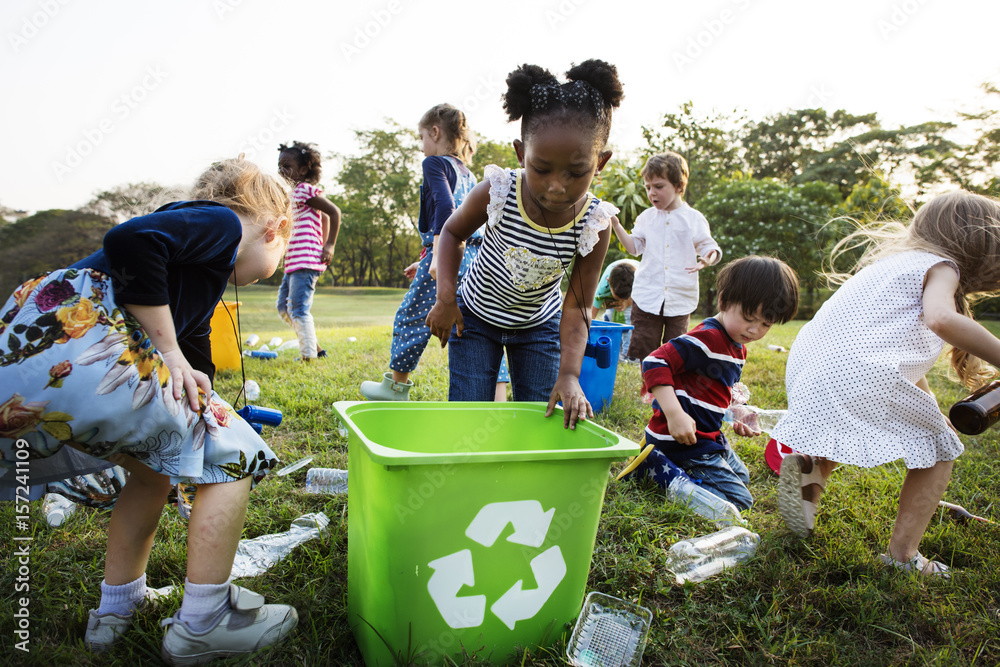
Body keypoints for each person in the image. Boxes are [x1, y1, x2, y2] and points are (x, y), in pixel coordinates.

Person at [0, 158, 299, 663]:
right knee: (234, 462)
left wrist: (200, 399)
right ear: (278, 228)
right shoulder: (224, 223)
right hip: (85, 341)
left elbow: (196, 351)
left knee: (152, 472)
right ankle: (205, 623)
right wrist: (171, 353)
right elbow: (128, 240)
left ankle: (115, 611)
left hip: (34, 357)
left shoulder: (194, 262)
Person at [772, 191, 1000, 578]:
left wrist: (928, 403)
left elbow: (897, 348)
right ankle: (903, 556)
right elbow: (941, 320)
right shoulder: (943, 267)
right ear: (979, 245)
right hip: (857, 371)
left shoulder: (893, 265)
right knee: (939, 449)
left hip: (809, 368)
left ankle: (806, 482)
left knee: (835, 435)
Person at [426, 59, 625, 429]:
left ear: (600, 163)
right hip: (475, 320)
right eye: (542, 168)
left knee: (542, 417)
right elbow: (453, 233)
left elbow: (579, 304)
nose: (556, 185)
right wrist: (445, 299)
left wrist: (569, 374)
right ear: (521, 154)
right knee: (468, 418)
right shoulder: (500, 190)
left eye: (576, 172)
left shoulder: (595, 223)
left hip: (539, 326)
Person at [620, 256, 799, 510]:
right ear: (724, 300)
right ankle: (658, 473)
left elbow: (726, 389)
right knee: (739, 501)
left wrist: (741, 412)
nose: (754, 330)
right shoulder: (708, 338)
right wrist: (674, 414)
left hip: (707, 437)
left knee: (743, 478)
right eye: (749, 317)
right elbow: (654, 362)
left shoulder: (737, 345)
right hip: (682, 441)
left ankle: (666, 464)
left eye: (766, 324)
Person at [360, 104, 513, 400]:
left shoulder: (435, 164)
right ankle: (499, 400)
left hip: (447, 250)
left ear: (435, 131)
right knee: (478, 324)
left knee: (410, 317)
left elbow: (446, 208)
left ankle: (395, 388)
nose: (421, 148)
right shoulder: (468, 173)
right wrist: (426, 261)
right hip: (475, 257)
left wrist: (439, 258)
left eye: (422, 138)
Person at [612, 152, 721, 361]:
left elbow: (709, 246)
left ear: (679, 186)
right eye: (648, 187)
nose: (652, 193)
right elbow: (634, 248)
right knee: (644, 347)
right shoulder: (646, 218)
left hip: (680, 297)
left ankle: (670, 390)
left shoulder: (693, 219)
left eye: (659, 187)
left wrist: (708, 257)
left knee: (675, 350)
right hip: (647, 295)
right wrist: (617, 225)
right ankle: (648, 392)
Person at [276, 141, 342, 361]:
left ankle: (308, 357)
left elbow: (333, 212)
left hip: (305, 260)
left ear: (303, 170)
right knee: (284, 308)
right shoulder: (291, 195)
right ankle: (316, 349)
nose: (281, 170)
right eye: (279, 165)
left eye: (287, 166)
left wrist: (328, 245)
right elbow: (321, 217)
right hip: (294, 261)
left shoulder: (303, 190)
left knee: (298, 310)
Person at [591, 258, 639, 361]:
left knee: (628, 321)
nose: (621, 300)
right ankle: (613, 348)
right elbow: (591, 314)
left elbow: (644, 302)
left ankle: (628, 354)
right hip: (616, 281)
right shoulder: (604, 286)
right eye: (618, 298)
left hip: (637, 288)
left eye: (623, 298)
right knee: (609, 319)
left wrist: (628, 302)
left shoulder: (641, 278)